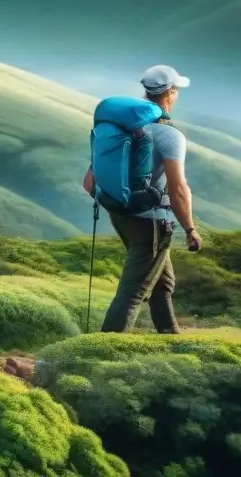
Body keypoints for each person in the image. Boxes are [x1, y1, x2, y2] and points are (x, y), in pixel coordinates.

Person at [82, 65, 203, 334]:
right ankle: (102, 351)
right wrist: (190, 229)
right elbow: (178, 188)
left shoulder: (123, 128)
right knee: (134, 291)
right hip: (151, 222)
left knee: (162, 281)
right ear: (170, 93)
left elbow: (88, 183)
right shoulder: (170, 135)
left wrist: (122, 203)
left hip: (121, 215)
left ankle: (170, 336)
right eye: (177, 90)